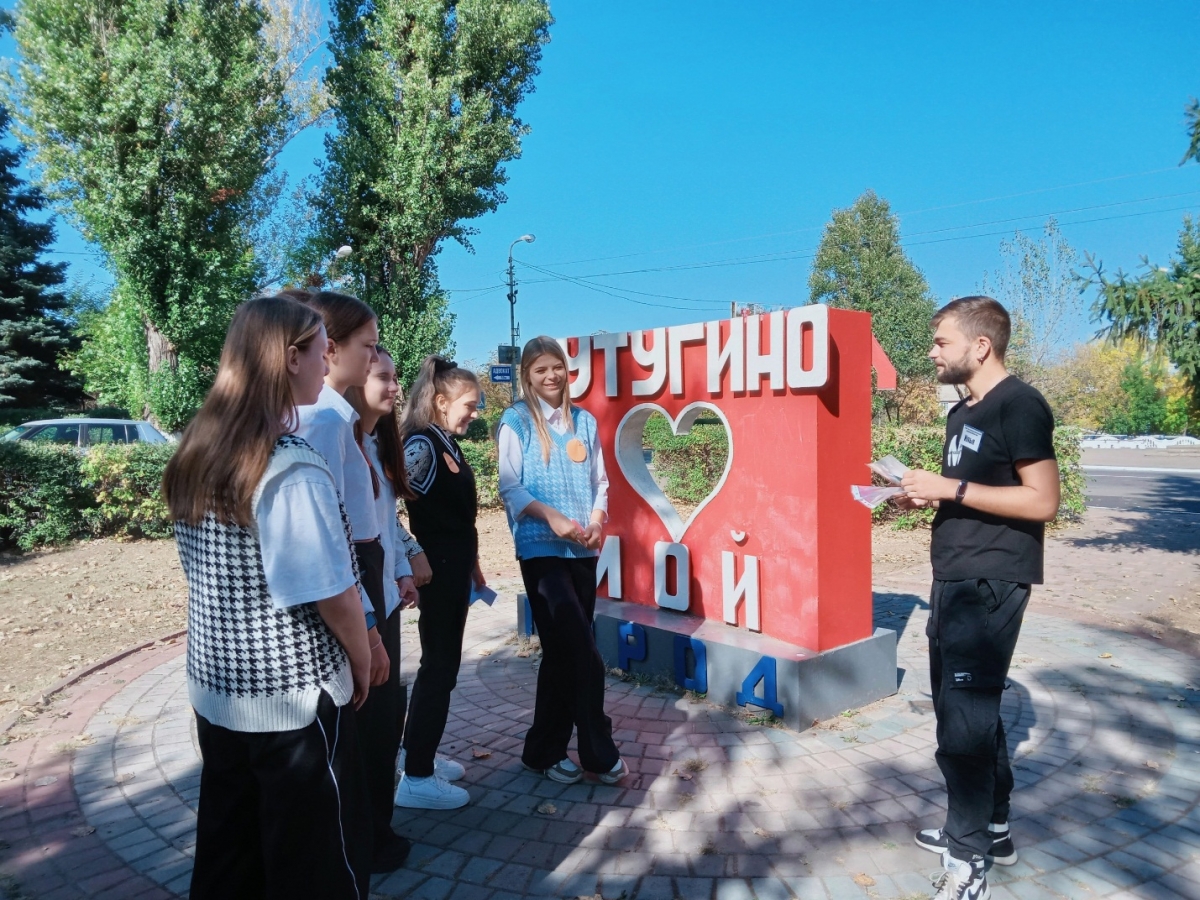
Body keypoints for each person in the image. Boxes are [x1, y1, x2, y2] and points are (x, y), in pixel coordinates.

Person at [164, 295, 371, 899]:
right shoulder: (288, 466)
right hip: (293, 704)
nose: (327, 359)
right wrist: (361, 659)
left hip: (218, 690)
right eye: (321, 348)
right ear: (288, 358)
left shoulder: (197, 457)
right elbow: (329, 592)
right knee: (315, 867)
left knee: (232, 857)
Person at [896, 296, 1060, 900]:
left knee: (963, 724)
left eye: (941, 341)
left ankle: (968, 867)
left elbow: (1042, 500)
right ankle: (990, 829)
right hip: (955, 578)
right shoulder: (963, 413)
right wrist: (928, 494)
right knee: (965, 712)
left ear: (980, 345)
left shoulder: (1019, 405)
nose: (932, 351)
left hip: (991, 583)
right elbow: (973, 492)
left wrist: (951, 487)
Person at [285, 289, 410, 873]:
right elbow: (336, 541)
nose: (375, 356)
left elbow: (374, 525)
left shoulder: (347, 425)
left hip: (371, 587)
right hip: (356, 594)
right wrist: (368, 628)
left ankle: (370, 839)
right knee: (363, 732)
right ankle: (361, 846)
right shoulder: (325, 423)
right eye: (368, 345)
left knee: (380, 729)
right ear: (327, 350)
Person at [497, 337, 627, 786]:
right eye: (539, 370)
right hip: (540, 549)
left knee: (559, 654)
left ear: (567, 370)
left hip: (582, 549)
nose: (550, 376)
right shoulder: (515, 420)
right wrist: (551, 517)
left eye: (557, 367)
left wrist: (595, 521)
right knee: (582, 652)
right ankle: (598, 750)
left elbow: (600, 482)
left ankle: (542, 751)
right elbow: (510, 486)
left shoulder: (585, 422)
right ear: (527, 376)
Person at [344, 349, 463, 784]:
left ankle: (408, 770)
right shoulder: (345, 444)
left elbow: (385, 518)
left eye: (396, 378)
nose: (395, 387)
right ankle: (411, 777)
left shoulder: (378, 444)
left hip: (387, 592)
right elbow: (347, 535)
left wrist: (400, 569)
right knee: (375, 707)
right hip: (361, 598)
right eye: (384, 378)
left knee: (389, 705)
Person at [394, 356, 484, 810]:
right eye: (470, 404)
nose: (476, 412)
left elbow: (458, 516)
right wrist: (412, 552)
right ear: (441, 401)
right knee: (439, 669)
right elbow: (378, 505)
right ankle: (417, 776)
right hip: (437, 574)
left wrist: (473, 564)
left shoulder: (445, 441)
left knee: (441, 665)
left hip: (454, 570)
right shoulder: (422, 446)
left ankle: (415, 752)